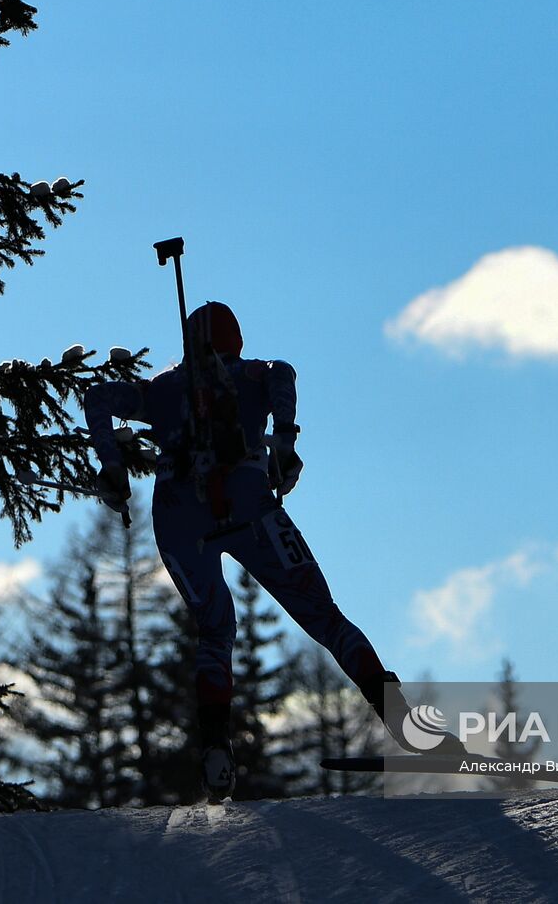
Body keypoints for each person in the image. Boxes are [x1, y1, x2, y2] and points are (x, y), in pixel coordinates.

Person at [83, 301, 459, 800]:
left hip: (178, 520)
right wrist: (284, 441)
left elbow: (97, 397)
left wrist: (112, 468)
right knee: (326, 619)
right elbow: (284, 373)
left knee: (215, 630)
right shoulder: (250, 374)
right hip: (250, 508)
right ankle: (405, 725)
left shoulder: (160, 389)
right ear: (234, 339)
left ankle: (216, 749)